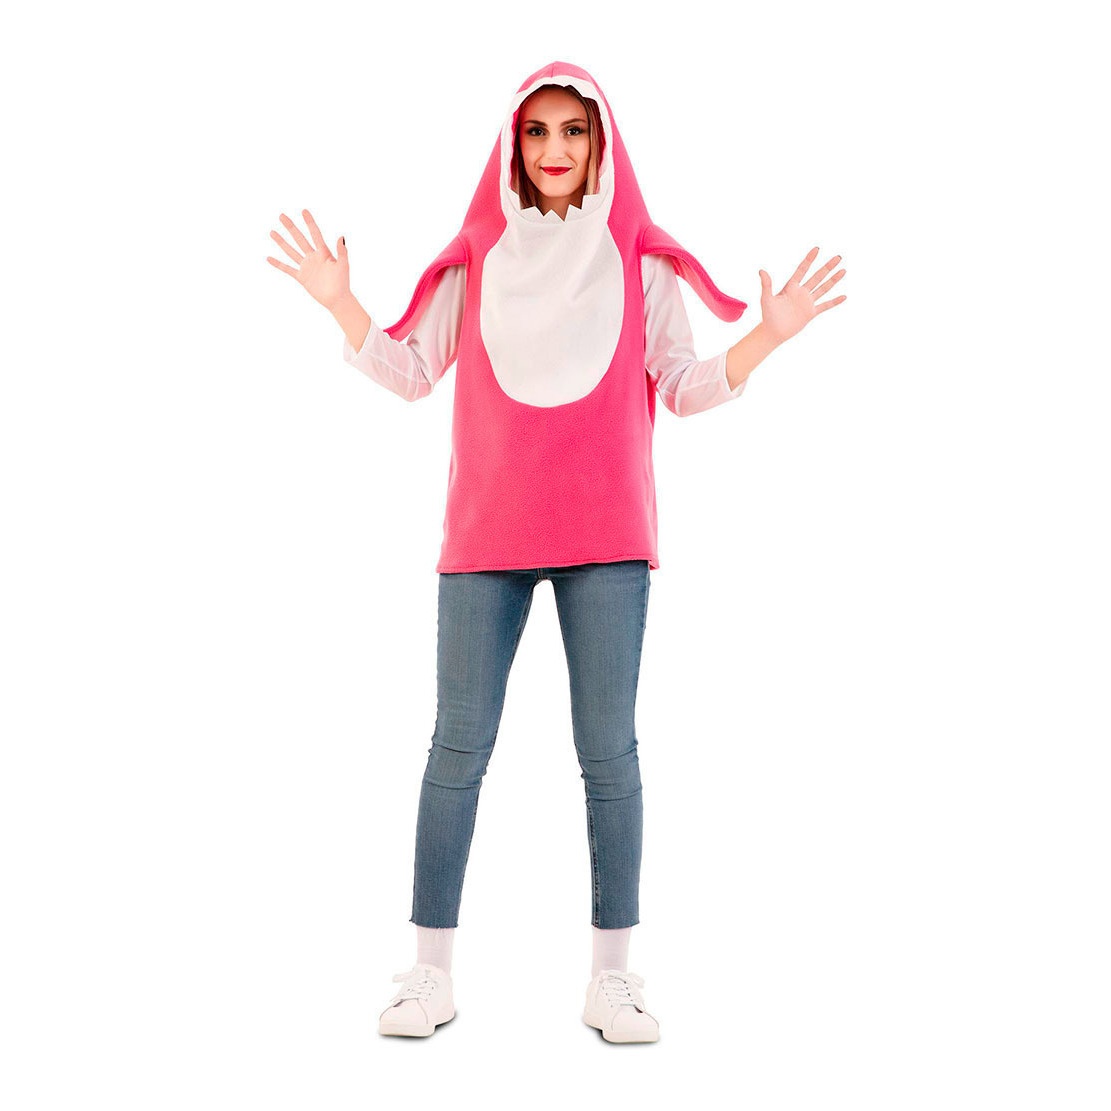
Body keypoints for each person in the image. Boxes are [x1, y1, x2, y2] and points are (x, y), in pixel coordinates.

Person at [266, 60, 847, 1044]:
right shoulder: (477, 255)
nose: (552, 149)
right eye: (535, 131)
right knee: (457, 746)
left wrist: (767, 338)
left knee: (608, 751)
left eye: (571, 131)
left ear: (599, 144)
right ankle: (429, 972)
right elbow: (411, 371)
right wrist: (341, 303)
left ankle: (611, 980)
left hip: (606, 537)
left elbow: (683, 385)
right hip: (486, 534)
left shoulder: (638, 258)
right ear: (512, 145)